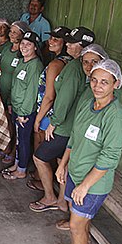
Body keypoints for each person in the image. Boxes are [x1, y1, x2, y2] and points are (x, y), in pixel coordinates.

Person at [50, 60, 122, 244]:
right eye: (94, 80)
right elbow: (74, 136)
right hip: (75, 173)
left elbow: (109, 157)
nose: (97, 86)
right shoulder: (87, 104)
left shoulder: (116, 116)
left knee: (76, 225)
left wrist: (85, 186)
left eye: (104, 82)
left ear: (116, 84)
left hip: (93, 183)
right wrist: (63, 164)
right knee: (80, 224)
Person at [29, 27, 95, 213]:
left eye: (72, 43)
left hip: (65, 127)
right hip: (74, 125)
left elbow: (63, 99)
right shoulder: (79, 65)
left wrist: (54, 122)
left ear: (83, 47)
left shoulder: (74, 68)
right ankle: (61, 201)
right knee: (61, 162)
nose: (68, 45)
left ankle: (50, 196)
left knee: (40, 157)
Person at [2, 31, 43, 180]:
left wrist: (23, 113)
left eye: (29, 44)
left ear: (35, 47)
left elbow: (32, 92)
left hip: (25, 112)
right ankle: (17, 164)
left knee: (24, 141)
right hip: (16, 108)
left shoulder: (35, 65)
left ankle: (22, 170)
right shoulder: (22, 61)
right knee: (19, 140)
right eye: (23, 43)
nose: (24, 47)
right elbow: (16, 84)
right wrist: (11, 104)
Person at [0, 21, 30, 164]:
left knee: (14, 123)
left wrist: (11, 99)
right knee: (6, 121)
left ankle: (13, 150)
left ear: (23, 35)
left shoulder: (22, 54)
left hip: (14, 95)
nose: (11, 34)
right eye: (11, 31)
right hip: (3, 90)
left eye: (15, 32)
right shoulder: (6, 49)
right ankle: (6, 146)